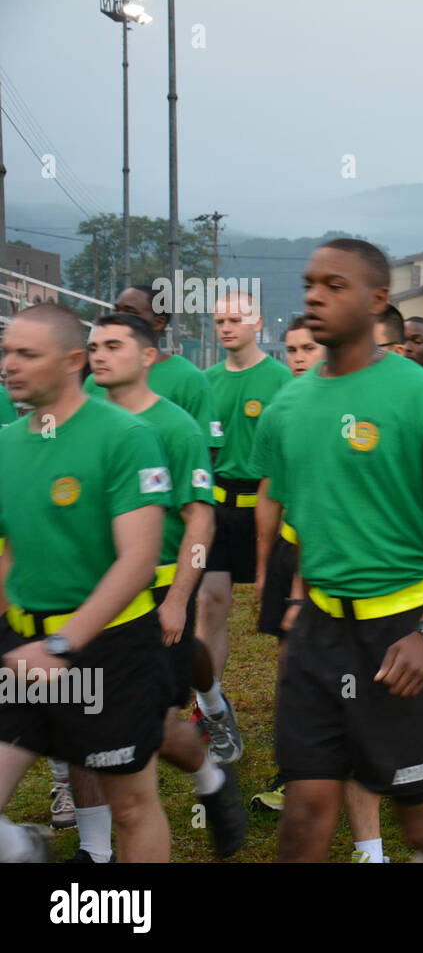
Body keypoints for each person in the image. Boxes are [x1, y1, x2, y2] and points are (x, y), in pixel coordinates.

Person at [254, 238, 423, 863]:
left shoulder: (421, 397)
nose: (313, 295)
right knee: (305, 813)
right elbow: (308, 515)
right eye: (310, 283)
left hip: (404, 633)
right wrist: (298, 602)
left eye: (334, 284)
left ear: (377, 300)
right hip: (320, 635)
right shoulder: (287, 407)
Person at [0, 304, 172, 862]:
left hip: (109, 651)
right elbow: (7, 554)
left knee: (131, 809)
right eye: (6, 351)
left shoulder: (127, 437)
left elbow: (138, 561)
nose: (9, 365)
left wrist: (62, 645)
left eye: (27, 354)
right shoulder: (5, 443)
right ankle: (23, 848)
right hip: (22, 650)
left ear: (74, 361)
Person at [75, 312, 246, 861]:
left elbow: (200, 522)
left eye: (114, 346)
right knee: (83, 712)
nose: (98, 355)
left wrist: (177, 600)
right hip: (93, 591)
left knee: (145, 726)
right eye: (93, 345)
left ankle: (209, 775)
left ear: (148, 356)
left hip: (159, 589)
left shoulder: (176, 428)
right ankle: (95, 849)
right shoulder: (80, 418)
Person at [197, 290, 292, 763]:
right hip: (217, 508)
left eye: (236, 318)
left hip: (268, 507)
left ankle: (293, 715)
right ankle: (210, 705)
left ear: (258, 323)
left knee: (279, 617)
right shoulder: (205, 381)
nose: (227, 327)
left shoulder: (280, 379)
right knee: (209, 606)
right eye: (219, 320)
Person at [250, 314, 323, 813]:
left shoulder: (349, 407)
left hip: (343, 557)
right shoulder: (280, 409)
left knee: (350, 666)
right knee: (290, 665)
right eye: (291, 349)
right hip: (291, 549)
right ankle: (296, 769)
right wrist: (262, 568)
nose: (298, 358)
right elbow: (270, 493)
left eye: (308, 348)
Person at [82, 284, 222, 448]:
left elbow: (205, 449)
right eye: (116, 310)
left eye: (130, 312)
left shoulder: (189, 378)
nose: (119, 318)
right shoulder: (94, 381)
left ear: (158, 322)